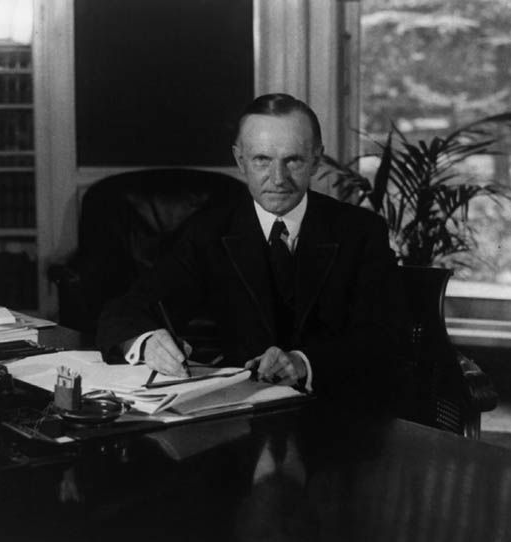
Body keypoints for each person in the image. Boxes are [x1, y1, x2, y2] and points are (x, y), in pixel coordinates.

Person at [97, 93, 405, 404]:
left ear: (315, 160)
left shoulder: (361, 231)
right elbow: (125, 310)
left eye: (293, 160)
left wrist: (304, 363)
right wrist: (147, 341)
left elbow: (384, 338)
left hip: (338, 412)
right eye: (262, 160)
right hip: (239, 417)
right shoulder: (209, 230)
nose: (278, 178)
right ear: (240, 160)